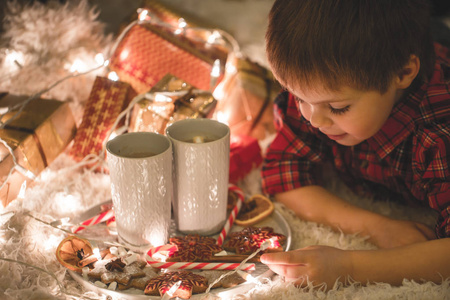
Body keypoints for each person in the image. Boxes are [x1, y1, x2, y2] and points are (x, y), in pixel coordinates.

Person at [259, 0, 450, 289]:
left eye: (338, 108)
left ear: (402, 73)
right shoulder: (318, 94)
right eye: (299, 98)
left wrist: (350, 266)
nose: (314, 120)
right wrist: (378, 228)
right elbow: (282, 173)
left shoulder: (438, 134)